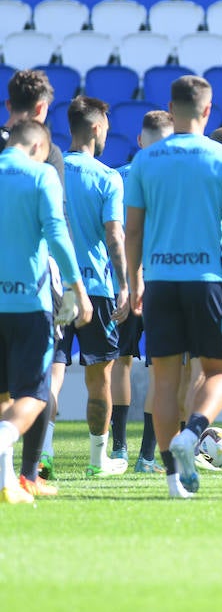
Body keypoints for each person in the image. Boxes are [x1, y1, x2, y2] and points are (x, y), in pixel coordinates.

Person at [124, 76, 222, 499]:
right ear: (207, 110)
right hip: (207, 282)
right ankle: (194, 431)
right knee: (220, 370)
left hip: (160, 280)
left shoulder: (146, 160)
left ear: (171, 107)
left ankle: (172, 482)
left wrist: (134, 280)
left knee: (163, 381)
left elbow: (132, 230)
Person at [0, 119, 92, 504]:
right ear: (39, 147)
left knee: (4, 396)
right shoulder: (41, 175)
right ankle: (4, 440)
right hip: (27, 304)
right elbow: (56, 234)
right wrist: (77, 289)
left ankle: (7, 483)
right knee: (35, 395)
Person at [51, 97, 132, 479]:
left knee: (51, 372)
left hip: (54, 289)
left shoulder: (49, 172)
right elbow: (114, 236)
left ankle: (43, 455)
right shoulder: (107, 177)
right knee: (99, 378)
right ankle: (98, 461)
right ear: (97, 128)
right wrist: (125, 284)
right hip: (96, 289)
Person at [0, 70, 65, 491]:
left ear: (9, 105)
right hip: (33, 282)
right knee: (36, 382)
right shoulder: (44, 154)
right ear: (42, 108)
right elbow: (55, 226)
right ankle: (27, 475)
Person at [113, 110, 173, 473]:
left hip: (121, 280)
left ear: (140, 140)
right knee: (159, 370)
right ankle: (146, 457)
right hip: (162, 280)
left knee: (119, 364)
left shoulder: (117, 176)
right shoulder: (171, 180)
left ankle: (118, 449)